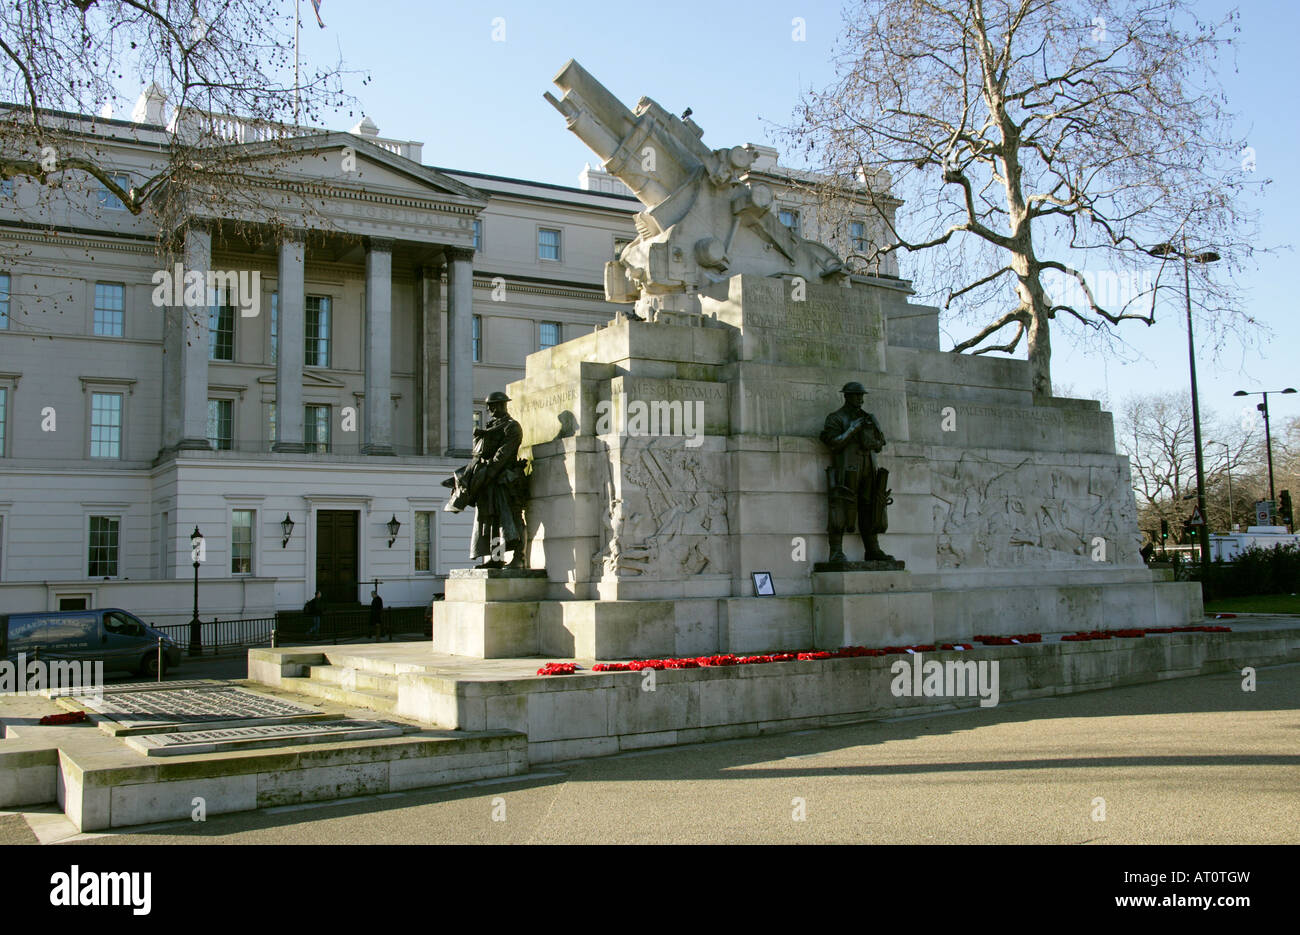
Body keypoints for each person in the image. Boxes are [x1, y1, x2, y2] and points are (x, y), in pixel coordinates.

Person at [441, 391, 528, 568]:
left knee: (513, 517)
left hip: (506, 480)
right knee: (491, 520)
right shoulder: (490, 427)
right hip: (490, 481)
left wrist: (485, 475)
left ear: (503, 405)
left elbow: (502, 455)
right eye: (489, 406)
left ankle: (520, 557)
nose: (490, 409)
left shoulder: (512, 427)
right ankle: (496, 558)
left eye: (494, 405)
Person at [820, 381, 896, 564]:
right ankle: (836, 551)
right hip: (846, 468)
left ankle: (873, 549)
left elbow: (880, 443)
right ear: (847, 396)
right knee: (840, 507)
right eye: (856, 395)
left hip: (868, 468)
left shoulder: (869, 418)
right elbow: (833, 443)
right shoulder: (836, 418)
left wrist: (873, 440)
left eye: (861, 396)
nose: (860, 399)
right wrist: (853, 429)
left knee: (871, 508)